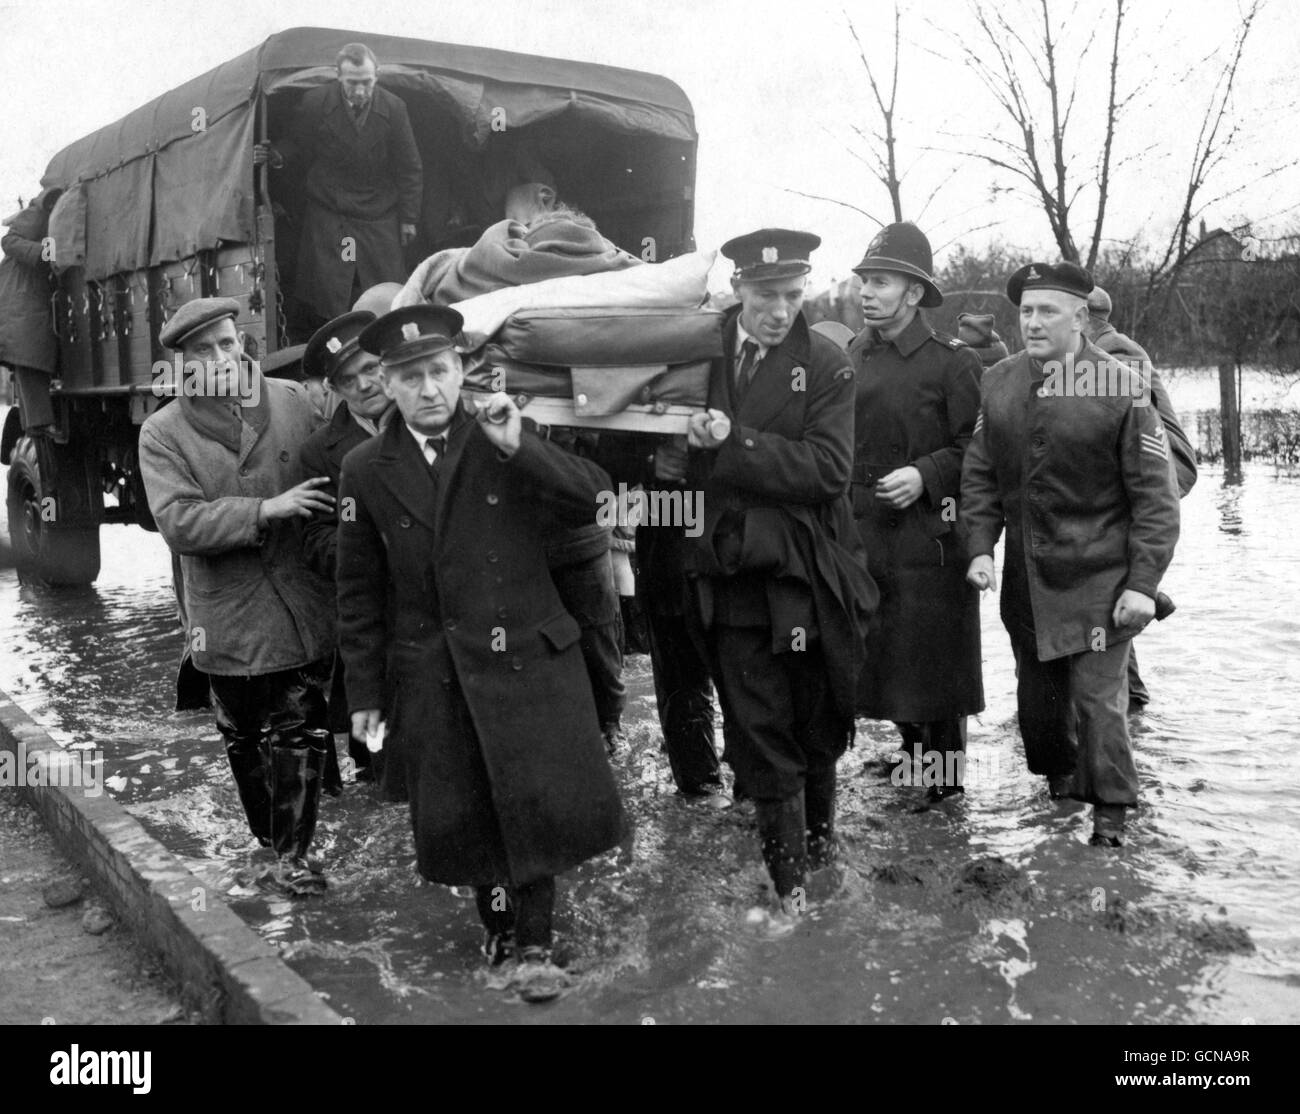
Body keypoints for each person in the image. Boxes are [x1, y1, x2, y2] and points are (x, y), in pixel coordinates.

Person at [336, 305, 624, 1002]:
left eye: (438, 370)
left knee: (530, 802)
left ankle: (534, 941)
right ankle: (497, 929)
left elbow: (599, 499)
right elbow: (359, 591)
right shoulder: (366, 471)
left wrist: (521, 443)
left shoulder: (503, 434)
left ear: (461, 370)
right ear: (388, 384)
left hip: (527, 654)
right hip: (437, 668)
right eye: (409, 377)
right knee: (467, 811)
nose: (428, 389)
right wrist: (367, 698)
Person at [681, 229, 877, 923]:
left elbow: (829, 470)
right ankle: (790, 893)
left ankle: (821, 860)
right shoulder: (699, 353)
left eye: (794, 296)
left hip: (809, 571)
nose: (780, 311)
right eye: (766, 297)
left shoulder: (827, 364)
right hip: (732, 574)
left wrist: (733, 442)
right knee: (760, 733)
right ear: (738, 291)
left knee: (816, 722)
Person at [961, 262, 1180, 847]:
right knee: (1039, 718)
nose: (1032, 323)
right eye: (1026, 312)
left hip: (1100, 584)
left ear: (1080, 317)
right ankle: (1058, 806)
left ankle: (1109, 827)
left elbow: (1156, 499)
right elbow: (980, 475)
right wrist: (980, 546)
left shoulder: (1122, 385)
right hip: (1026, 587)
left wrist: (1142, 583)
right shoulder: (1000, 381)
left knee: (1099, 706)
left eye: (1047, 312)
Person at [137, 297, 338, 893]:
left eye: (227, 343)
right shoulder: (163, 432)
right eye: (201, 350)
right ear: (181, 364)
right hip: (227, 612)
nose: (219, 357)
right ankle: (269, 841)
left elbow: (344, 458)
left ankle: (294, 859)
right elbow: (179, 522)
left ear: (242, 343)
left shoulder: (294, 401)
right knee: (244, 735)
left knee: (301, 721)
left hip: (300, 598)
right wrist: (264, 509)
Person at [847, 223, 984, 803]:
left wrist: (925, 474)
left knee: (934, 668)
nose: (866, 293)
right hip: (865, 536)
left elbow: (978, 450)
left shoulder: (954, 363)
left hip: (931, 541)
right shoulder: (853, 352)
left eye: (879, 282)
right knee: (882, 662)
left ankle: (944, 793)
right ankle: (911, 758)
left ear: (912, 291)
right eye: (863, 282)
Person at [1085, 285, 1198, 711]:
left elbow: (1118, 428)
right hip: (1132, 475)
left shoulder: (1117, 350)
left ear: (1085, 315)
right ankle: (1130, 706)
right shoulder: (1099, 349)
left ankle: (1130, 701)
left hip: (1161, 471)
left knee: (1106, 584)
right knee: (1105, 589)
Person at [255, 42, 422, 326]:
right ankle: (336, 343)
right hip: (331, 210)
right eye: (352, 83)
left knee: (387, 290)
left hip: (378, 213)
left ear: (377, 76)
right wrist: (277, 155)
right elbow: (297, 143)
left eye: (366, 82)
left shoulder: (394, 108)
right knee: (331, 292)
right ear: (337, 75)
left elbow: (409, 166)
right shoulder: (315, 103)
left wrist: (408, 218)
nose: (360, 91)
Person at [298, 307, 394, 786]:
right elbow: (315, 540)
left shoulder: (429, 418)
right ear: (333, 389)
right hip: (376, 627)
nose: (365, 384)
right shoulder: (320, 451)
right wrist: (376, 550)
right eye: (348, 379)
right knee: (381, 771)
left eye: (372, 368)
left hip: (446, 620)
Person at [0, 187, 63, 431]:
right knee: (28, 360)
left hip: (24, 308)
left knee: (28, 363)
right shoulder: (39, 211)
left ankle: (36, 426)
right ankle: (39, 425)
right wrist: (44, 253)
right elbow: (9, 240)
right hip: (22, 310)